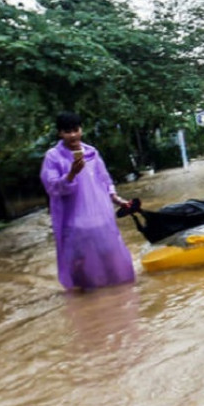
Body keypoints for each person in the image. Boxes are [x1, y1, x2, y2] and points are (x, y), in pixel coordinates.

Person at [40, 111, 135, 291]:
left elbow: (105, 180)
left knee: (116, 265)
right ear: (60, 133)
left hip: (102, 217)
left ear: (81, 129)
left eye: (76, 130)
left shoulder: (91, 152)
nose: (73, 135)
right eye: (68, 132)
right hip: (76, 223)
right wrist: (71, 174)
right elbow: (52, 187)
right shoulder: (53, 157)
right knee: (87, 272)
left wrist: (117, 199)